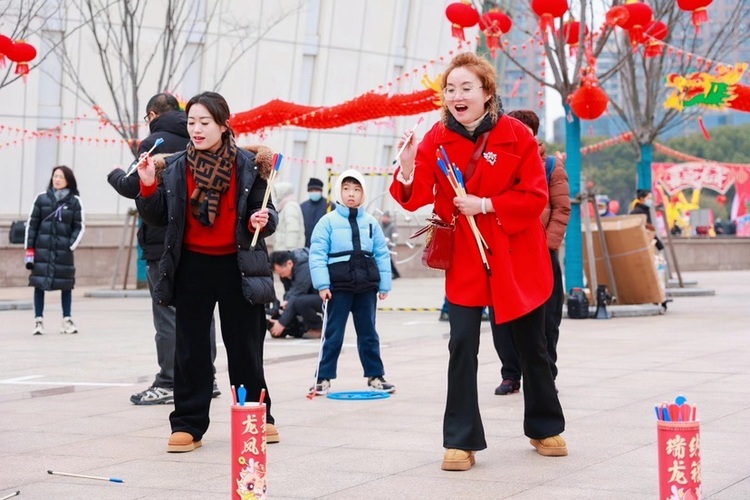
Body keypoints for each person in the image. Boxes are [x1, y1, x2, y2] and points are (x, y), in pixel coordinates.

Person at [390, 52, 566, 471]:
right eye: (450, 89)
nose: (456, 96)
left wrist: (485, 203)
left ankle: (544, 427)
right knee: (462, 344)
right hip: (466, 258)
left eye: (466, 88)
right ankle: (460, 440)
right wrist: (410, 166)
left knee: (532, 346)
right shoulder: (435, 138)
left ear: (487, 93)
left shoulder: (517, 136)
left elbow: (536, 197)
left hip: (514, 254)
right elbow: (415, 198)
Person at [135, 91, 279, 452]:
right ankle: (188, 424)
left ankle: (258, 418)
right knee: (191, 350)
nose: (196, 130)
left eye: (204, 123)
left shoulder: (249, 163)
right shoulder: (176, 165)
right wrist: (148, 184)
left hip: (239, 264)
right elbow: (155, 215)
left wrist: (262, 218)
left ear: (223, 124)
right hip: (193, 265)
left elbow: (268, 211)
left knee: (245, 347)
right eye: (191, 123)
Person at [107, 92, 220, 405]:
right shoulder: (202, 140)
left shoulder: (153, 142)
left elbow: (133, 185)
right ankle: (205, 378)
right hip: (199, 240)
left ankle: (169, 381)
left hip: (162, 241)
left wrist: (115, 174)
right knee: (201, 312)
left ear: (153, 115)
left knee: (167, 312)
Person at [492, 109, 571, 396]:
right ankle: (511, 374)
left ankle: (546, 374)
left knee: (547, 319)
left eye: (524, 130)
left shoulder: (550, 166)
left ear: (534, 134)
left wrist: (547, 245)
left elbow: (561, 208)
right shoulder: (499, 163)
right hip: (505, 254)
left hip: (541, 254)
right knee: (502, 317)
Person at [308, 169, 395, 396]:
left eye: (356, 190)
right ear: (339, 191)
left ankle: (375, 375)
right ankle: (323, 378)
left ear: (363, 193)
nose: (351, 194)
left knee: (368, 333)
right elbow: (317, 254)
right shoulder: (327, 222)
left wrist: (384, 284)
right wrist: (322, 285)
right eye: (346, 189)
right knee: (333, 333)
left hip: (366, 286)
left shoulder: (371, 223)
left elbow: (381, 253)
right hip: (338, 287)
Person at [25, 166, 84, 335]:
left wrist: (69, 245)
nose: (57, 179)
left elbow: (79, 226)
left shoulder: (74, 201)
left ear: (68, 181)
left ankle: (67, 319)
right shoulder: (41, 199)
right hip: (42, 250)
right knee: (39, 284)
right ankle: (38, 320)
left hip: (63, 252)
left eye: (61, 177)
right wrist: (30, 250)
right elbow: (32, 225)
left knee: (66, 285)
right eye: (55, 176)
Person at [269, 249, 324, 339]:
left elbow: (298, 293)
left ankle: (318, 328)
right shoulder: (286, 272)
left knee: (299, 302)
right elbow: (289, 293)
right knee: (290, 303)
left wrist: (282, 323)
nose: (282, 276)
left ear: (290, 263)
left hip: (327, 296)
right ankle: (304, 326)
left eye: (282, 273)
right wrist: (285, 302)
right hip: (311, 296)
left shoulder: (305, 266)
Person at [271, 181, 305, 251]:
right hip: (282, 249)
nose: (275, 195)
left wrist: (290, 250)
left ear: (283, 192)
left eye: (277, 192)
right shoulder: (284, 206)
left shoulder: (290, 206)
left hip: (286, 251)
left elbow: (292, 229)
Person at [300, 177, 332, 247]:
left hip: (323, 244)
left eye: (316, 190)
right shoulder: (303, 206)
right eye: (312, 190)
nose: (314, 192)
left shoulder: (330, 206)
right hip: (306, 244)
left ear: (321, 191)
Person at [379, 211, 400, 279]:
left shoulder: (392, 226)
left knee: (388, 261)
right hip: (381, 245)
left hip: (389, 246)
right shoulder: (380, 225)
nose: (384, 218)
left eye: (385, 217)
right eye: (383, 217)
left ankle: (395, 273)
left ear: (388, 218)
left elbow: (394, 236)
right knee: (387, 261)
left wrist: (391, 243)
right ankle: (395, 273)